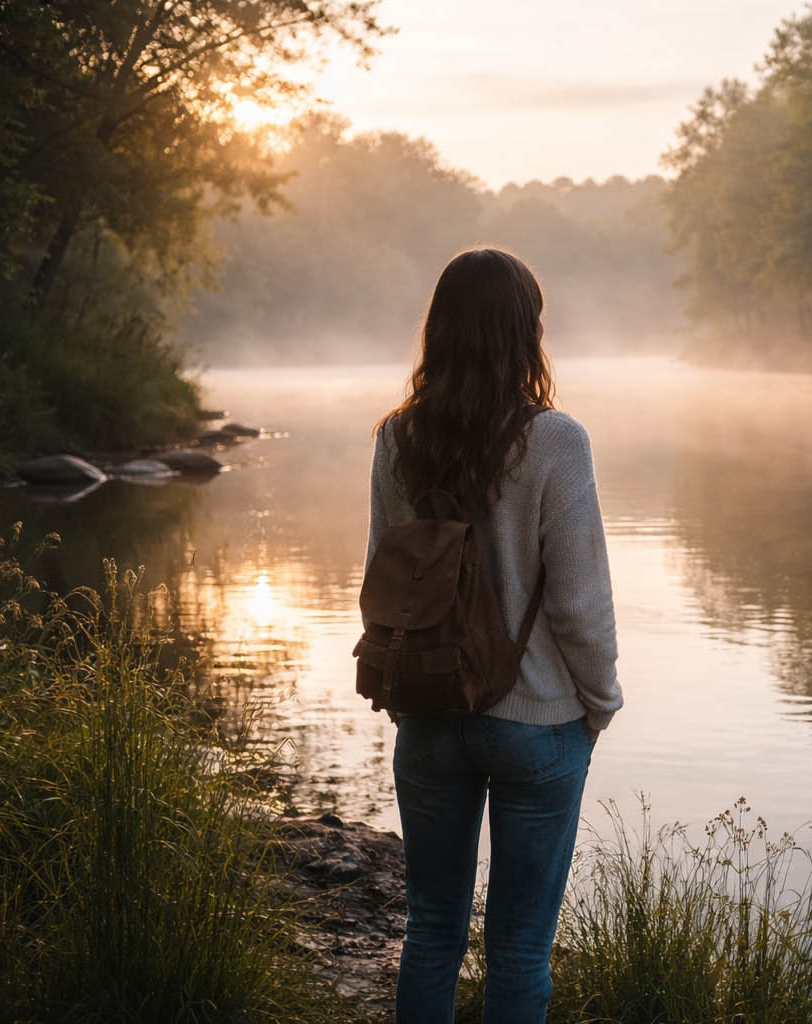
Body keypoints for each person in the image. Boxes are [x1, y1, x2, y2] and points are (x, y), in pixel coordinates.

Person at [365, 247, 622, 1023]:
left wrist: (404, 693)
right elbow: (580, 604)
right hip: (537, 724)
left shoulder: (397, 437)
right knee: (517, 950)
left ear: (439, 330)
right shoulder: (555, 441)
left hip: (432, 712)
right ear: (525, 333)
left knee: (433, 931)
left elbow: (383, 579)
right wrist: (599, 701)